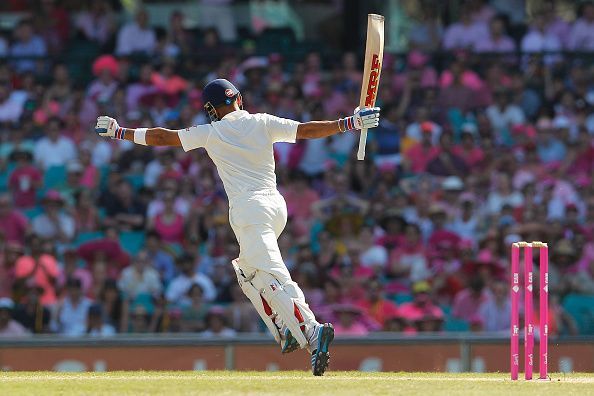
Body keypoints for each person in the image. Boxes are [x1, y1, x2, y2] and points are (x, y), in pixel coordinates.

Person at [95, 78, 380, 376]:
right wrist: (348, 123)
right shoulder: (263, 122)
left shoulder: (212, 132)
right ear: (239, 99)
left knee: (272, 274)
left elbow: (162, 138)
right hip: (275, 207)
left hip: (250, 210)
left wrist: (120, 132)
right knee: (247, 272)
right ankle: (283, 328)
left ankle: (311, 330)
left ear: (210, 109)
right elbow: (307, 130)